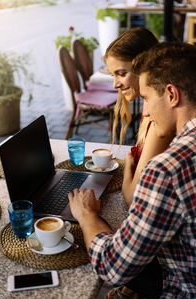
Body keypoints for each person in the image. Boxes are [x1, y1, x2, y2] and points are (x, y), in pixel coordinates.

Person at [68, 42, 196, 298]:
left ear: (171, 94)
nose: (145, 110)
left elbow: (112, 267)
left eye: (147, 98)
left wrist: (86, 216)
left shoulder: (167, 169)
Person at [105, 27, 174, 207]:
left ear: (144, 67)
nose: (115, 84)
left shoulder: (158, 116)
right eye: (113, 75)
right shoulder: (149, 103)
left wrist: (128, 165)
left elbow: (133, 198)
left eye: (121, 73)